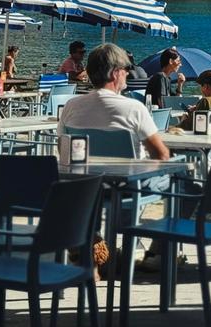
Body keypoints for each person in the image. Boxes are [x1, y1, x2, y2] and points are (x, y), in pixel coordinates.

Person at [57, 43, 175, 271]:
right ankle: (157, 253)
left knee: (105, 183)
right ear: (114, 73)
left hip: (86, 187)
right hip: (128, 188)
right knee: (184, 183)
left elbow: (64, 149)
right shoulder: (134, 108)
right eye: (126, 70)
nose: (128, 74)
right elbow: (161, 155)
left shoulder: (71, 106)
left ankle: (94, 244)